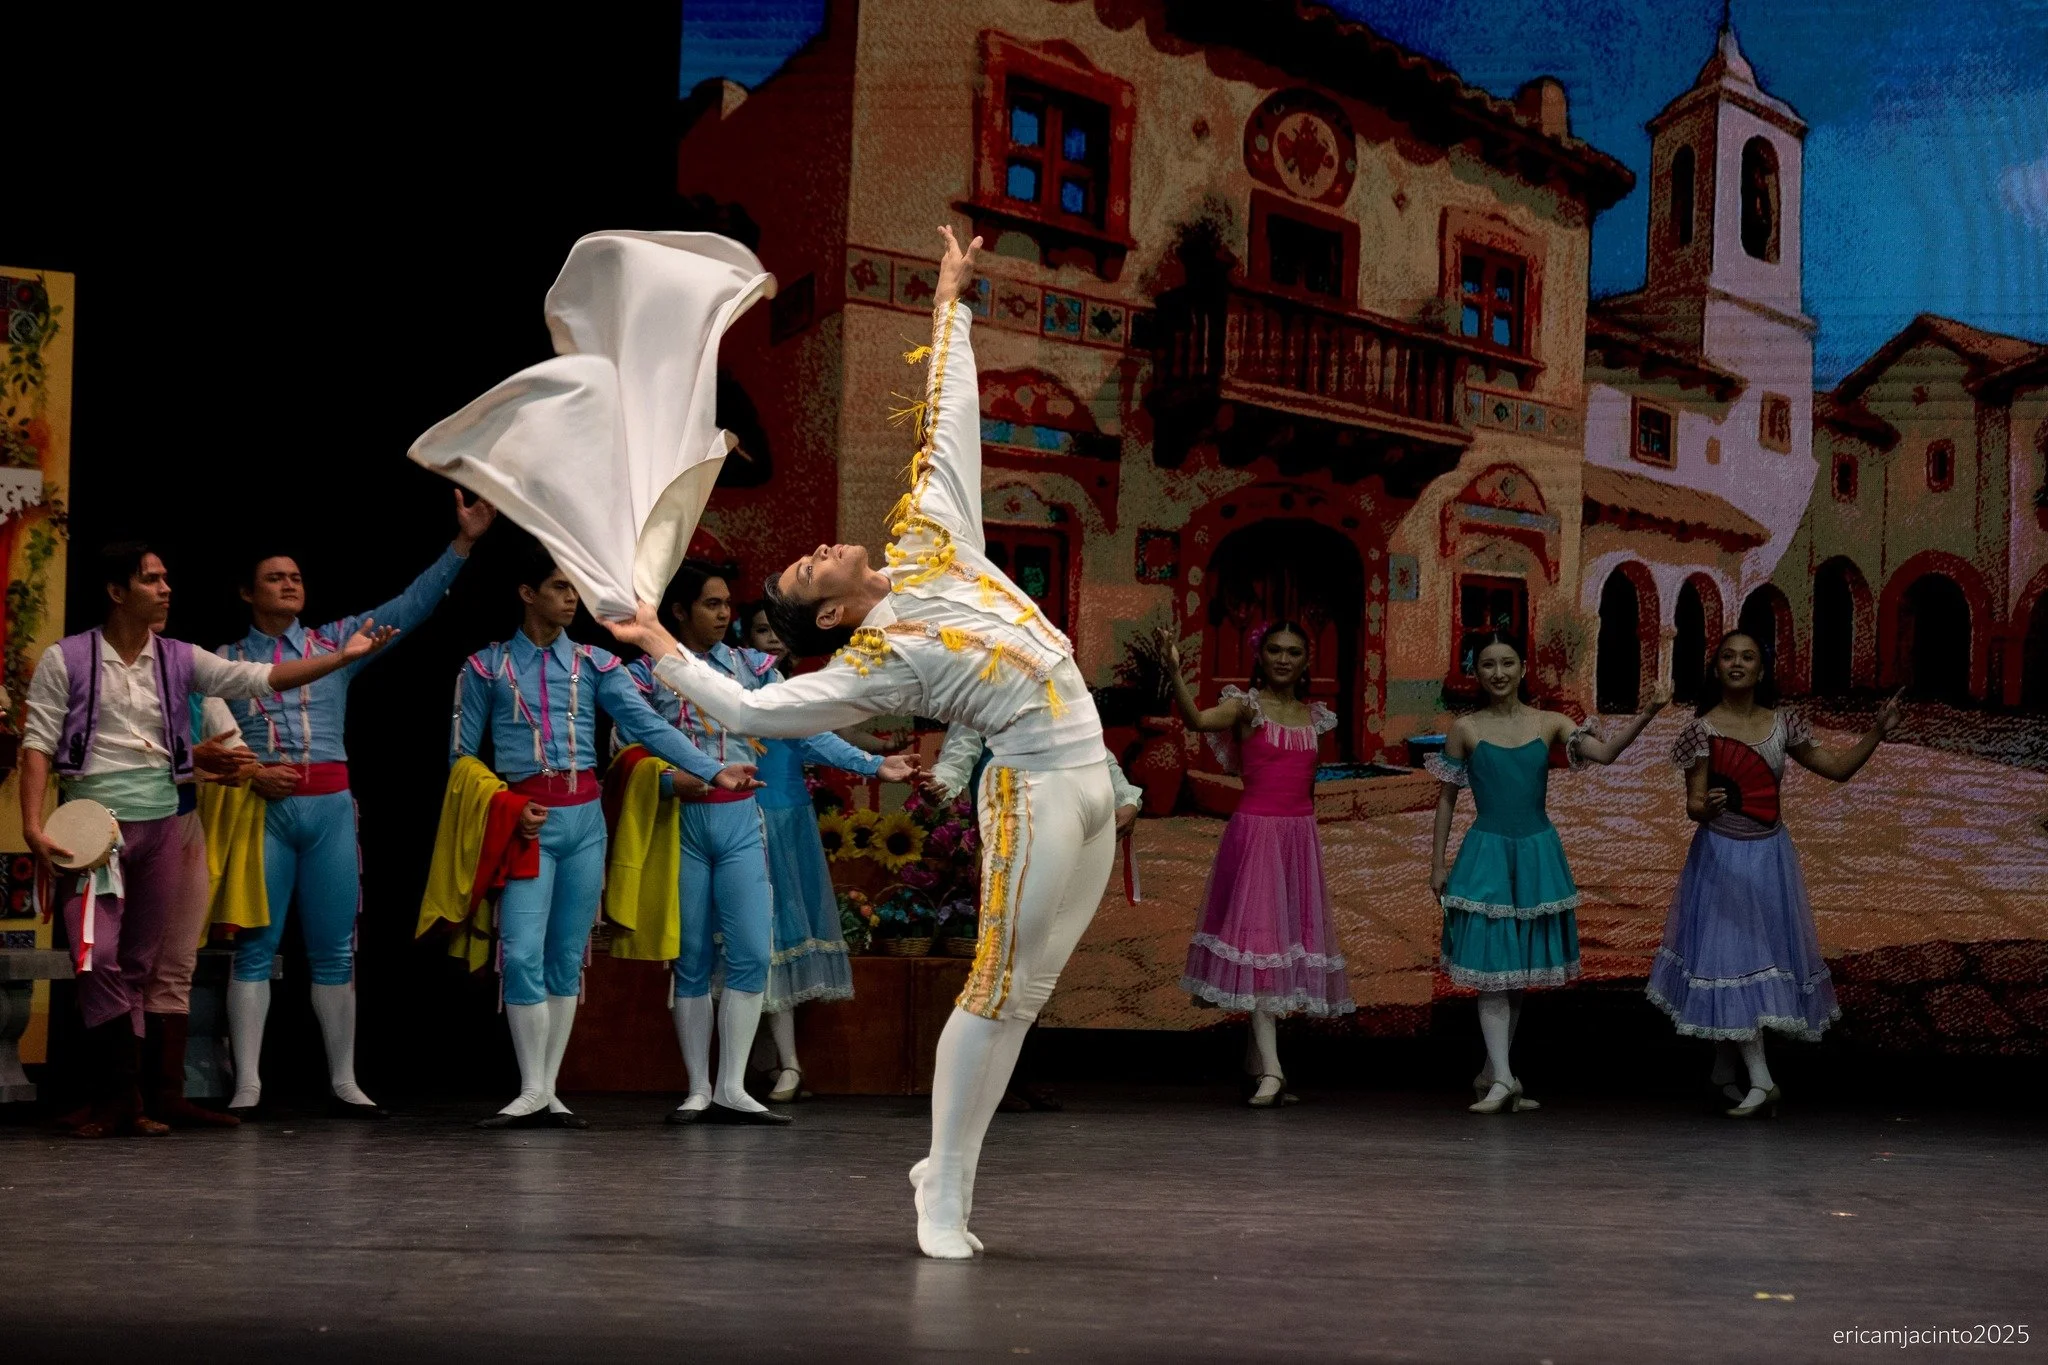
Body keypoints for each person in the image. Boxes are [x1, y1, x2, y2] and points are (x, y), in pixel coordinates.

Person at [603, 225, 1116, 1260]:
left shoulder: (933, 537)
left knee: (1032, 994)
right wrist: (660, 641)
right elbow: (748, 715)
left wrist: (951, 299)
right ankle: (942, 1190)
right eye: (803, 573)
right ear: (827, 619)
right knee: (997, 987)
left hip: (1092, 776)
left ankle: (946, 1171)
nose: (816, 549)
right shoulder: (871, 668)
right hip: (1032, 791)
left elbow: (949, 419)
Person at [18, 542, 395, 1138]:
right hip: (94, 831)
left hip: (164, 824)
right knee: (99, 957)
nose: (167, 588)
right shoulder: (67, 659)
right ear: (118, 592)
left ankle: (145, 1099)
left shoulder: (179, 659)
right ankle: (115, 1095)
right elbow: (37, 742)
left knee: (146, 961)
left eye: (167, 578)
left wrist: (338, 660)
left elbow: (261, 678)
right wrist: (33, 825)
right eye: (151, 579)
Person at [451, 544, 757, 1129]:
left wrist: (713, 769)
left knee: (567, 957)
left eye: (575, 588)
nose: (572, 599)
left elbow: (644, 726)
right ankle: (532, 1088)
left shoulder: (596, 664)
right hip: (528, 823)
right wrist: (508, 805)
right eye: (560, 588)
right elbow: (462, 759)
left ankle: (547, 1089)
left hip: (585, 823)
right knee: (519, 952)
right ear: (527, 593)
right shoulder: (486, 668)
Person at [220, 491, 496, 1118]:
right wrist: (251, 773)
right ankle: (248, 1086)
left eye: (295, 576)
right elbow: (203, 745)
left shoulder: (335, 643)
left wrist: (464, 544)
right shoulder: (224, 662)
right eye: (275, 577)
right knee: (255, 946)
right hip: (263, 810)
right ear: (246, 593)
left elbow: (409, 607)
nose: (290, 584)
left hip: (330, 811)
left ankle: (345, 1080)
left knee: (336, 947)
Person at [629, 563, 913, 1123]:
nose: (722, 614)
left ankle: (734, 1087)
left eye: (725, 605)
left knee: (753, 955)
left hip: (742, 824)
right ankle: (698, 1088)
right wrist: (671, 781)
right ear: (680, 612)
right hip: (682, 826)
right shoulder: (647, 673)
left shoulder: (751, 668)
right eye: (710, 604)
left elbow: (807, 727)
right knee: (692, 960)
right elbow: (628, 748)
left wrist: (874, 764)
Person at [1648, 633, 1900, 1117]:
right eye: (1728, 657)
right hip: (1721, 858)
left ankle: (1725, 1073)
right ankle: (1762, 1082)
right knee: (1731, 960)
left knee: (1749, 960)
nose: (1738, 663)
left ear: (1761, 669)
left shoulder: (1783, 724)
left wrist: (1876, 732)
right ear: (1716, 668)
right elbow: (1693, 803)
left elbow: (1838, 768)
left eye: (1748, 656)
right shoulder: (1701, 731)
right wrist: (1708, 807)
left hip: (1770, 859)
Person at [1426, 634, 1666, 1114]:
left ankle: (1494, 1075)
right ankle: (1503, 1080)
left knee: (1514, 976)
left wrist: (1649, 712)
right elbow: (1447, 799)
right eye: (1488, 665)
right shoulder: (1465, 729)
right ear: (1477, 673)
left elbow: (1605, 754)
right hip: (1487, 853)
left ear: (1523, 667)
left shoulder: (1550, 723)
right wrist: (1437, 863)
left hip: (1535, 852)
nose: (1498, 673)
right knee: (1493, 972)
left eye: (1507, 663)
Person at [1152, 621, 1353, 1107]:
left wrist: (1305, 843)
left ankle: (1255, 1065)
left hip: (1297, 839)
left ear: (1307, 661)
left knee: (1284, 946)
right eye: (1275, 651)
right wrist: (1176, 673)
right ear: (1260, 656)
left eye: (1294, 652)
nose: (1284, 659)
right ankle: (1275, 1073)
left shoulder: (1316, 717)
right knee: (1262, 949)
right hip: (1257, 837)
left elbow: (1306, 788)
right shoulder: (1246, 706)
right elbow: (1199, 722)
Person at [729, 600, 914, 1105]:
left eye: (779, 631)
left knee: (782, 935)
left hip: (789, 822)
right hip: (749, 819)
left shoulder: (794, 692)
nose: (771, 639)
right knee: (761, 938)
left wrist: (872, 763)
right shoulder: (738, 688)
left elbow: (817, 740)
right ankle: (768, 1061)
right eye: (761, 629)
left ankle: (781, 1061)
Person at [928, 724, 1141, 1112]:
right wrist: (940, 784)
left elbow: (1096, 756)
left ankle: (1017, 1073)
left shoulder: (1058, 692)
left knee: (1037, 965)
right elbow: (956, 761)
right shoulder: (983, 693)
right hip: (1007, 842)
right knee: (1002, 963)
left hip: (1058, 841)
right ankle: (980, 1079)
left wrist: (1126, 798)